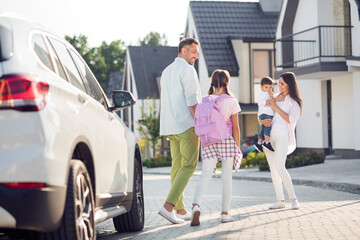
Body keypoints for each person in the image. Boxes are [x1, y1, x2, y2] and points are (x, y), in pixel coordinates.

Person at [158, 38, 202, 224]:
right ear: (183, 51)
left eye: (197, 53)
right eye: (193, 52)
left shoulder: (167, 71)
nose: (196, 56)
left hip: (170, 126)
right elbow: (192, 100)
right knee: (189, 165)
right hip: (186, 124)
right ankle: (168, 207)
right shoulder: (187, 70)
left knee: (177, 166)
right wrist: (200, 122)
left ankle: (180, 208)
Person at [190, 69, 242, 226]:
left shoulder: (204, 101)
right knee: (227, 178)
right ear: (227, 83)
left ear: (212, 83)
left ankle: (196, 205)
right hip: (225, 140)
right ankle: (225, 213)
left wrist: (205, 145)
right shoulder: (231, 101)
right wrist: (237, 148)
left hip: (209, 141)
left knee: (205, 175)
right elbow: (236, 128)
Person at [260, 72, 302, 210]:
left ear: (290, 85)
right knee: (273, 170)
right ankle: (280, 200)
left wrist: (275, 107)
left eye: (282, 84)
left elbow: (291, 119)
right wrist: (261, 120)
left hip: (283, 136)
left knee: (280, 166)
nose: (279, 86)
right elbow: (261, 111)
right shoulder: (273, 97)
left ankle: (293, 198)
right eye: (279, 83)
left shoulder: (294, 102)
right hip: (268, 137)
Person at [254, 77, 275, 153]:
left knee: (263, 129)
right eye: (266, 87)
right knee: (267, 127)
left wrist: (272, 96)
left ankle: (259, 143)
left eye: (270, 87)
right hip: (265, 114)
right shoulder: (262, 94)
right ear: (261, 87)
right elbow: (260, 102)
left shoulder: (268, 94)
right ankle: (267, 142)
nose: (268, 89)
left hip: (267, 113)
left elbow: (273, 101)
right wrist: (267, 102)